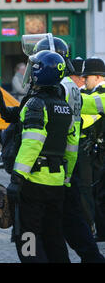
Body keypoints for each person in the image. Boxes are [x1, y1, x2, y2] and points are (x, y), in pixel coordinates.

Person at [7, 50, 75, 263]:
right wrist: (66, 179)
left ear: (40, 74)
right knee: (54, 236)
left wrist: (18, 177)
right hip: (56, 183)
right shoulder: (65, 107)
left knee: (27, 237)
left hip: (33, 183)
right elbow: (72, 149)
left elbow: (31, 143)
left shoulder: (36, 104)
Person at [80, 58, 105, 243]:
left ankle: (102, 232)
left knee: (99, 194)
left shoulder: (100, 93)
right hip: (98, 149)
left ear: (98, 76)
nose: (84, 80)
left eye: (87, 76)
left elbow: (90, 116)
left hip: (101, 150)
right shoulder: (94, 92)